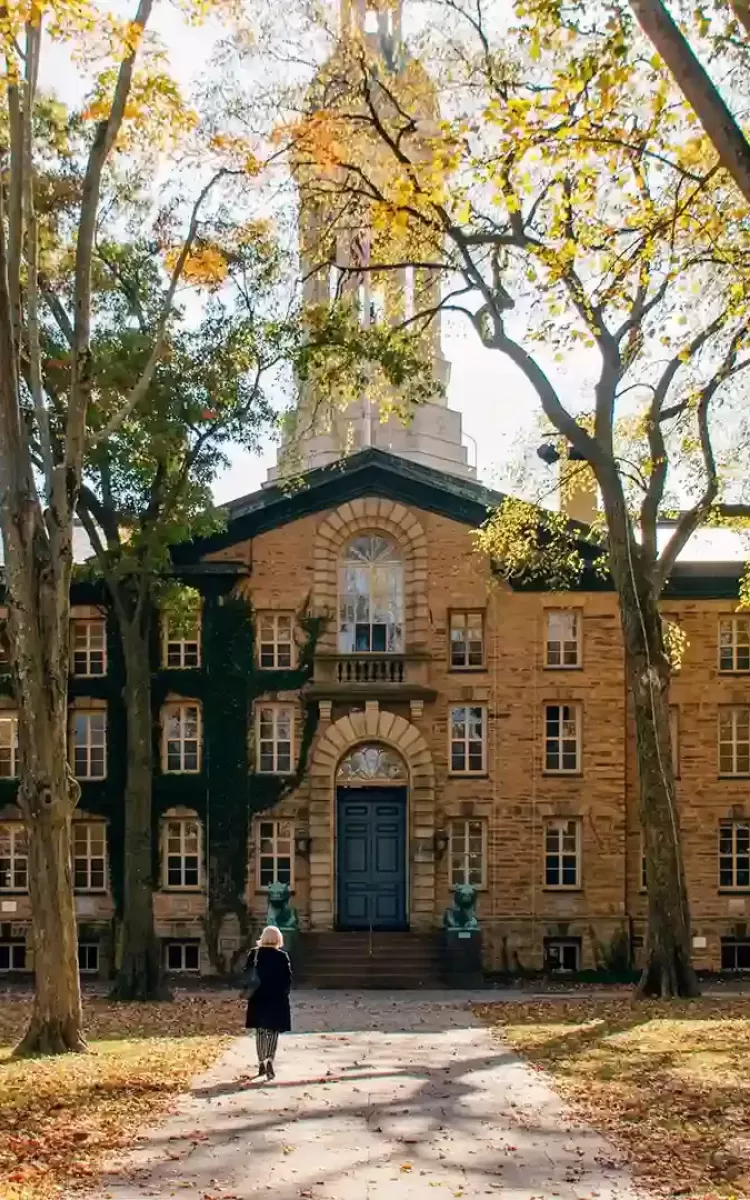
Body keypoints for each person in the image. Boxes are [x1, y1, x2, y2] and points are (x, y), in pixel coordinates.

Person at [244, 925, 292, 1080]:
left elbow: (246, 974)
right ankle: (270, 1058)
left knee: (260, 1031)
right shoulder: (282, 956)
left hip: (258, 997)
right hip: (276, 998)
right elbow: (287, 980)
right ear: (278, 939)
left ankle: (261, 1061)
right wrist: (284, 994)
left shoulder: (254, 954)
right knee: (273, 1030)